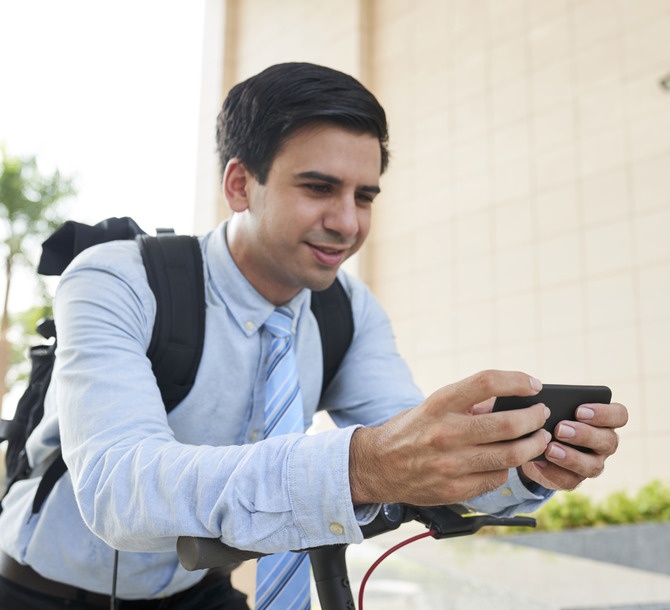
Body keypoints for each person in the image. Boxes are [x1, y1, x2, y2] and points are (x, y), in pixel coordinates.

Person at [0, 62, 628, 609]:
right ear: (240, 184)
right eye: (319, 188)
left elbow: (409, 447)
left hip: (191, 592)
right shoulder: (115, 277)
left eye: (366, 196)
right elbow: (118, 489)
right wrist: (357, 467)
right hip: (39, 591)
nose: (347, 223)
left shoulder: (347, 308)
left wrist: (517, 465)